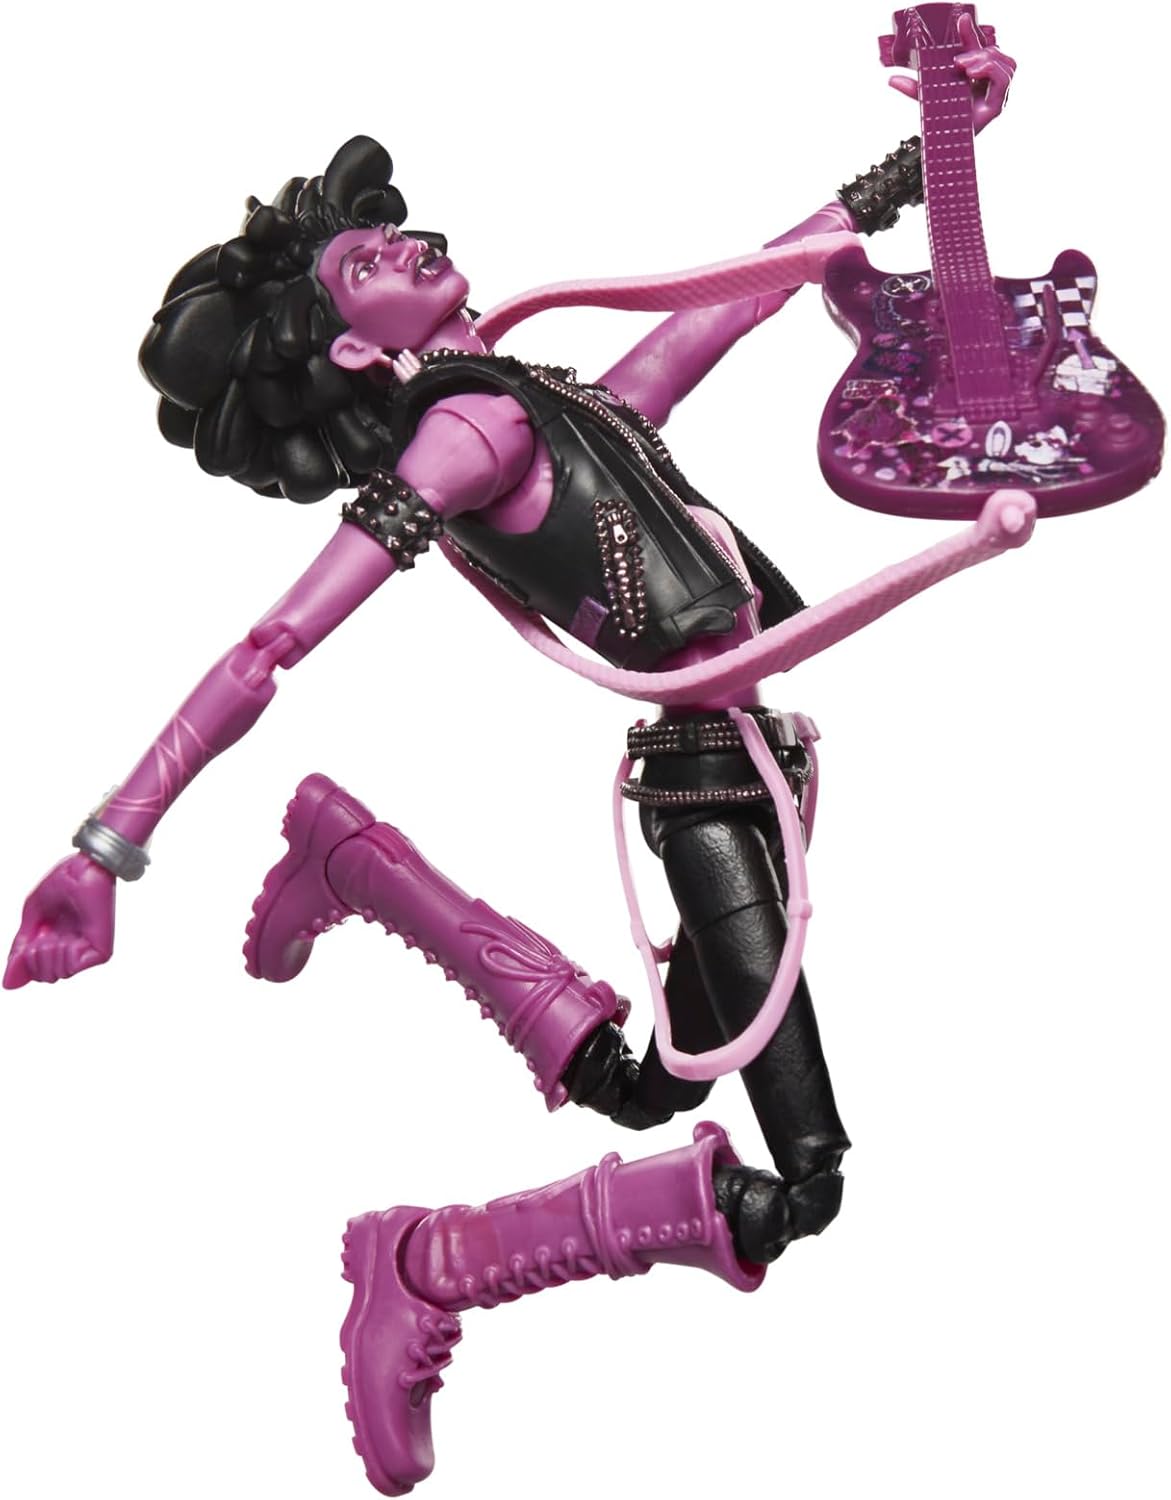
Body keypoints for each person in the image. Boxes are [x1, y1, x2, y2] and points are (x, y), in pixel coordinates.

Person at [4, 31, 1019, 1495]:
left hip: (754, 761)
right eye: (367, 263)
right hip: (705, 781)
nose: (408, 241)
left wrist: (922, 161)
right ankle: (432, 1263)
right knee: (800, 1184)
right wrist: (109, 845)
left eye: (388, 233)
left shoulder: (540, 400)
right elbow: (274, 642)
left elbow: (729, 301)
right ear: (356, 349)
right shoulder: (461, 442)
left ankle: (361, 866)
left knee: (654, 1084)